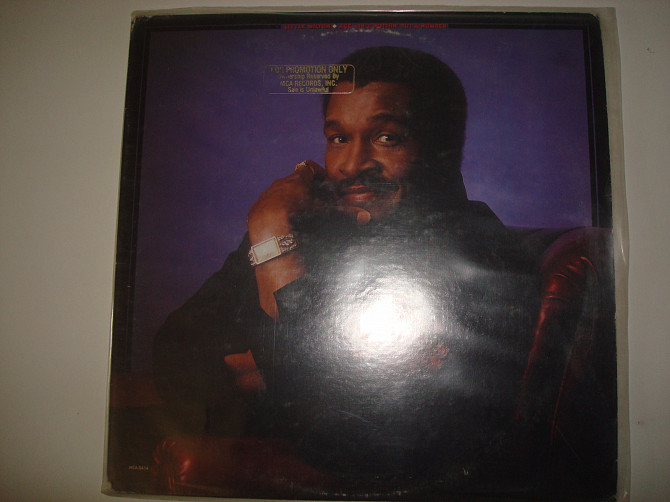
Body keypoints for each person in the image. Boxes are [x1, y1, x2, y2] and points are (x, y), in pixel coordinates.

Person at [151, 47, 567, 495]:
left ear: (442, 148)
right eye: (338, 138)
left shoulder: (480, 253)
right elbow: (174, 351)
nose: (351, 166)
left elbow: (346, 439)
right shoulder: (306, 224)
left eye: (387, 137)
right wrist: (288, 372)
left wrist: (272, 242)